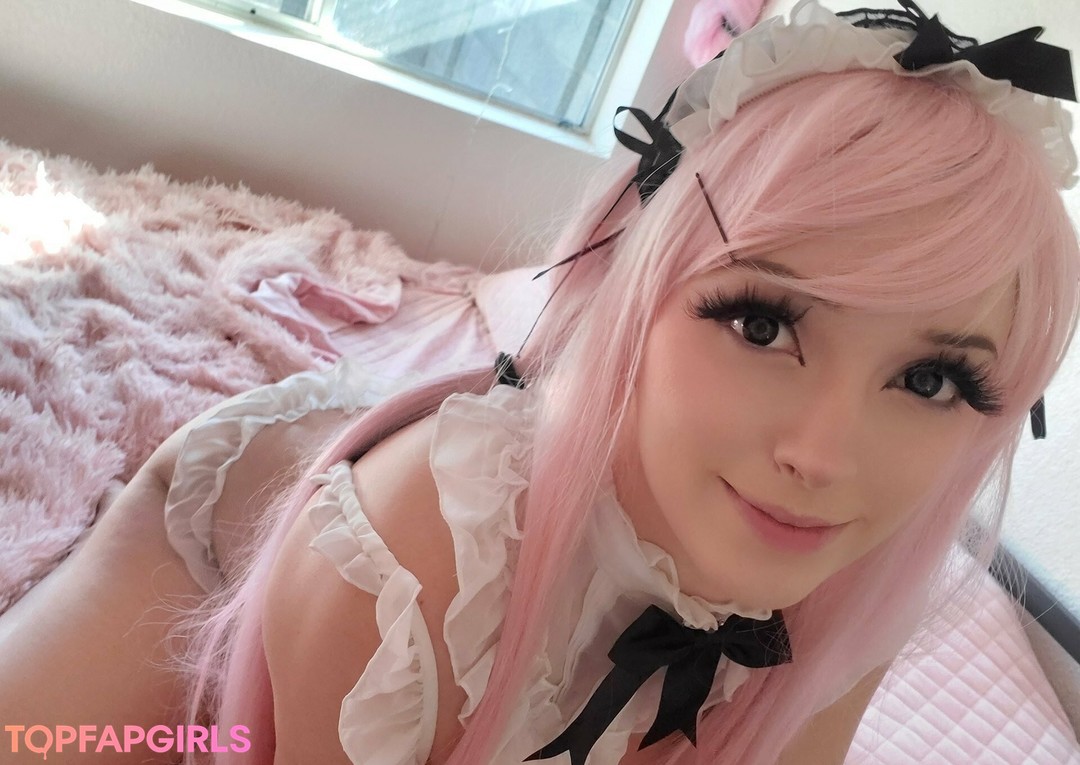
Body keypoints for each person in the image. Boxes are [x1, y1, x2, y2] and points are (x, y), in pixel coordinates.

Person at [1, 1, 1077, 763]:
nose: (825, 456)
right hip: (224, 521)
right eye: (761, 323)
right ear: (635, 290)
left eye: (932, 379)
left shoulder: (870, 573)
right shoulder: (409, 557)